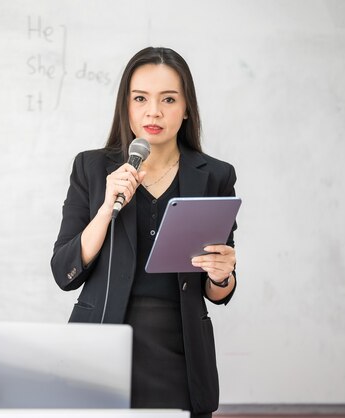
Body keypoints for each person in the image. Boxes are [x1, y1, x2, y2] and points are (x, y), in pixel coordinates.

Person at [50, 46, 238, 417]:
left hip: (179, 352)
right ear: (127, 106)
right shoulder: (91, 168)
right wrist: (106, 209)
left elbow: (217, 290)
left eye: (169, 99)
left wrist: (224, 274)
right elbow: (64, 272)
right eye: (141, 98)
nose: (154, 111)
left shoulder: (215, 175)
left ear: (186, 109)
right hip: (100, 343)